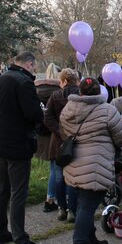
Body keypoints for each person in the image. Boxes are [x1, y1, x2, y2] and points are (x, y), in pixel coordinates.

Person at [59, 77, 122, 244]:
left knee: (84, 204)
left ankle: (90, 239)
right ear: (99, 92)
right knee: (87, 207)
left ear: (80, 92)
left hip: (74, 163)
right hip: (96, 165)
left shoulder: (68, 109)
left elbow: (64, 133)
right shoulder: (107, 110)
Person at [0, 51, 47, 244]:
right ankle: (21, 240)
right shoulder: (24, 82)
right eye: (34, 67)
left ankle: (1, 231)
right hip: (17, 142)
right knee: (18, 192)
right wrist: (41, 115)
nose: (35, 71)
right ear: (30, 64)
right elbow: (32, 113)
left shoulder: (1, 79)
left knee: (3, 189)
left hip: (0, 139)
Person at [45, 68, 82, 222]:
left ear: (65, 81)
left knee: (59, 176)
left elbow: (47, 118)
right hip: (77, 140)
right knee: (74, 178)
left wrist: (60, 131)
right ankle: (72, 210)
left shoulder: (55, 96)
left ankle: (61, 208)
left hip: (59, 142)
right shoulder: (82, 96)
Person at [35, 63, 62, 213]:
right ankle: (52, 198)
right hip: (55, 133)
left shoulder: (37, 90)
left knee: (53, 167)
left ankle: (51, 197)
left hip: (41, 133)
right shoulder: (58, 93)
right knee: (57, 168)